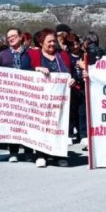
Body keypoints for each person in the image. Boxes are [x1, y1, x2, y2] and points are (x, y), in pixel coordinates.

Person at [28, 28, 75, 168]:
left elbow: (73, 73)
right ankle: (41, 154)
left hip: (60, 100)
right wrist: (36, 69)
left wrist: (73, 80)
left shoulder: (64, 56)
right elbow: (23, 72)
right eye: (49, 41)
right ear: (41, 42)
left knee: (59, 126)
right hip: (40, 100)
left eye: (54, 41)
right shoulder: (33, 55)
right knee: (42, 126)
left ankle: (59, 155)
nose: (52, 44)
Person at [0, 27, 32, 162]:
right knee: (13, 124)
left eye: (13, 35)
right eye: (8, 36)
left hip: (28, 95)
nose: (10, 38)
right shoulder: (3, 55)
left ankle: (29, 151)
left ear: (21, 36)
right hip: (10, 97)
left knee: (28, 123)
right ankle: (13, 151)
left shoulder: (30, 53)